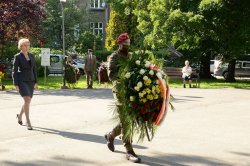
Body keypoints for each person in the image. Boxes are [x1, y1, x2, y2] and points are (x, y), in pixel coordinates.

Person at [104, 33, 141, 163]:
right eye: (125, 44)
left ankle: (111, 135)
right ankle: (129, 150)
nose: (127, 47)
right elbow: (111, 74)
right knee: (126, 119)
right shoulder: (114, 57)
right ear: (119, 44)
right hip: (120, 92)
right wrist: (124, 77)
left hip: (132, 91)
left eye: (128, 44)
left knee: (130, 119)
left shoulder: (131, 57)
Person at [12, 38, 38, 130]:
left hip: (31, 80)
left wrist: (36, 82)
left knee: (27, 101)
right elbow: (14, 71)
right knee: (27, 99)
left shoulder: (31, 55)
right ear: (21, 46)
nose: (27, 47)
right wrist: (16, 84)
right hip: (21, 80)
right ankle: (28, 121)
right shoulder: (17, 56)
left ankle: (19, 116)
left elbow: (34, 69)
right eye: (25, 45)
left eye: (28, 45)